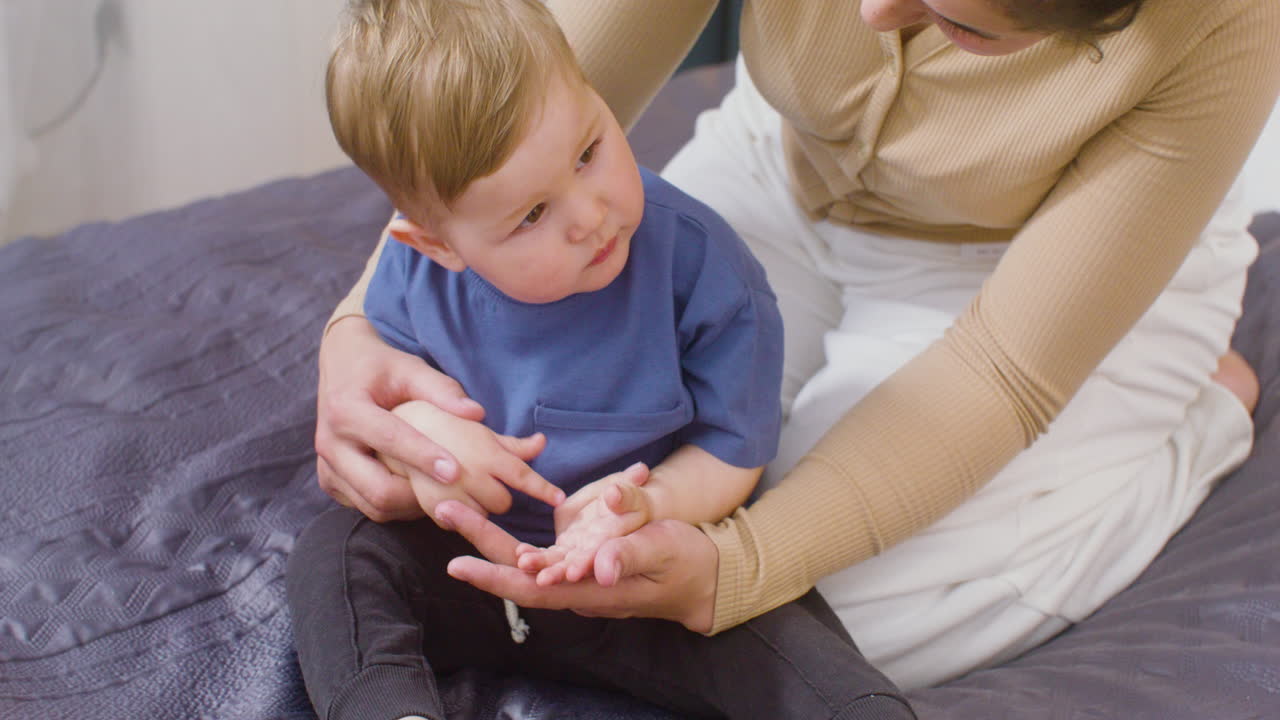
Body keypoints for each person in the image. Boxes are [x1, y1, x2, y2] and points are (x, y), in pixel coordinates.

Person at [315, 0, 1280, 691]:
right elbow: (502, 114)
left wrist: (738, 570)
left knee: (826, 615)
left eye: (965, 24)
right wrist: (357, 331)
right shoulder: (632, 227)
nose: (872, 13)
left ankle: (1192, 417)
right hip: (788, 161)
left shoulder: (1223, 25)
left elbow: (999, 372)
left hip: (1039, 268)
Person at [288, 1, 916, 718]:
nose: (590, 216)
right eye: (532, 215)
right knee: (336, 557)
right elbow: (384, 400)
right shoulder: (412, 274)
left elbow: (734, 450)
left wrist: (653, 505)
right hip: (468, 564)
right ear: (439, 245)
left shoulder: (703, 268)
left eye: (588, 152)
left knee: (795, 641)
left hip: (643, 578)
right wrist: (426, 439)